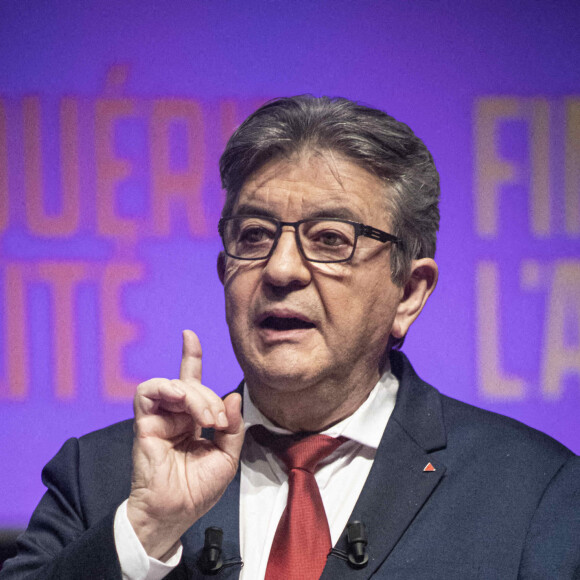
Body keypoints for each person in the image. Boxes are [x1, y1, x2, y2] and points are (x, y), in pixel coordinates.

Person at [1, 95, 579, 580]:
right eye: (254, 235)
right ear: (225, 270)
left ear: (409, 292)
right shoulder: (103, 475)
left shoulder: (534, 494)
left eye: (330, 238)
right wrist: (146, 530)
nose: (280, 270)